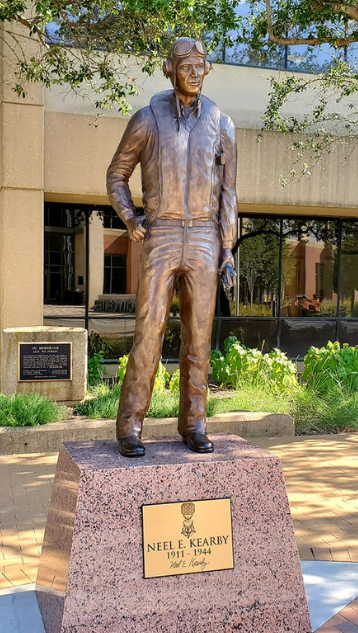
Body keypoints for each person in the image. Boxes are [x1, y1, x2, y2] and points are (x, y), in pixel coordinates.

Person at [106, 37, 238, 457]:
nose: (195, 72)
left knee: (199, 338)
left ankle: (195, 423)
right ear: (170, 69)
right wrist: (131, 218)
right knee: (149, 332)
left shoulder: (222, 123)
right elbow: (116, 175)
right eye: (186, 65)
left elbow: (229, 193)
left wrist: (228, 247)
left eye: (201, 64)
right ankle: (130, 426)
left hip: (203, 236)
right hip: (161, 233)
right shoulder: (147, 119)